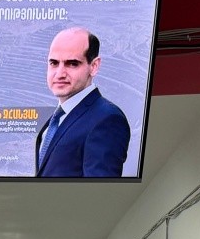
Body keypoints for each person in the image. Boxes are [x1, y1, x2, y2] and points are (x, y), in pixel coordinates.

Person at [35, 27, 130, 178]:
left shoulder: (107, 119)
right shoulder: (56, 120)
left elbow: (99, 190)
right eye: (54, 63)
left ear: (94, 66)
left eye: (72, 63)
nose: (60, 74)